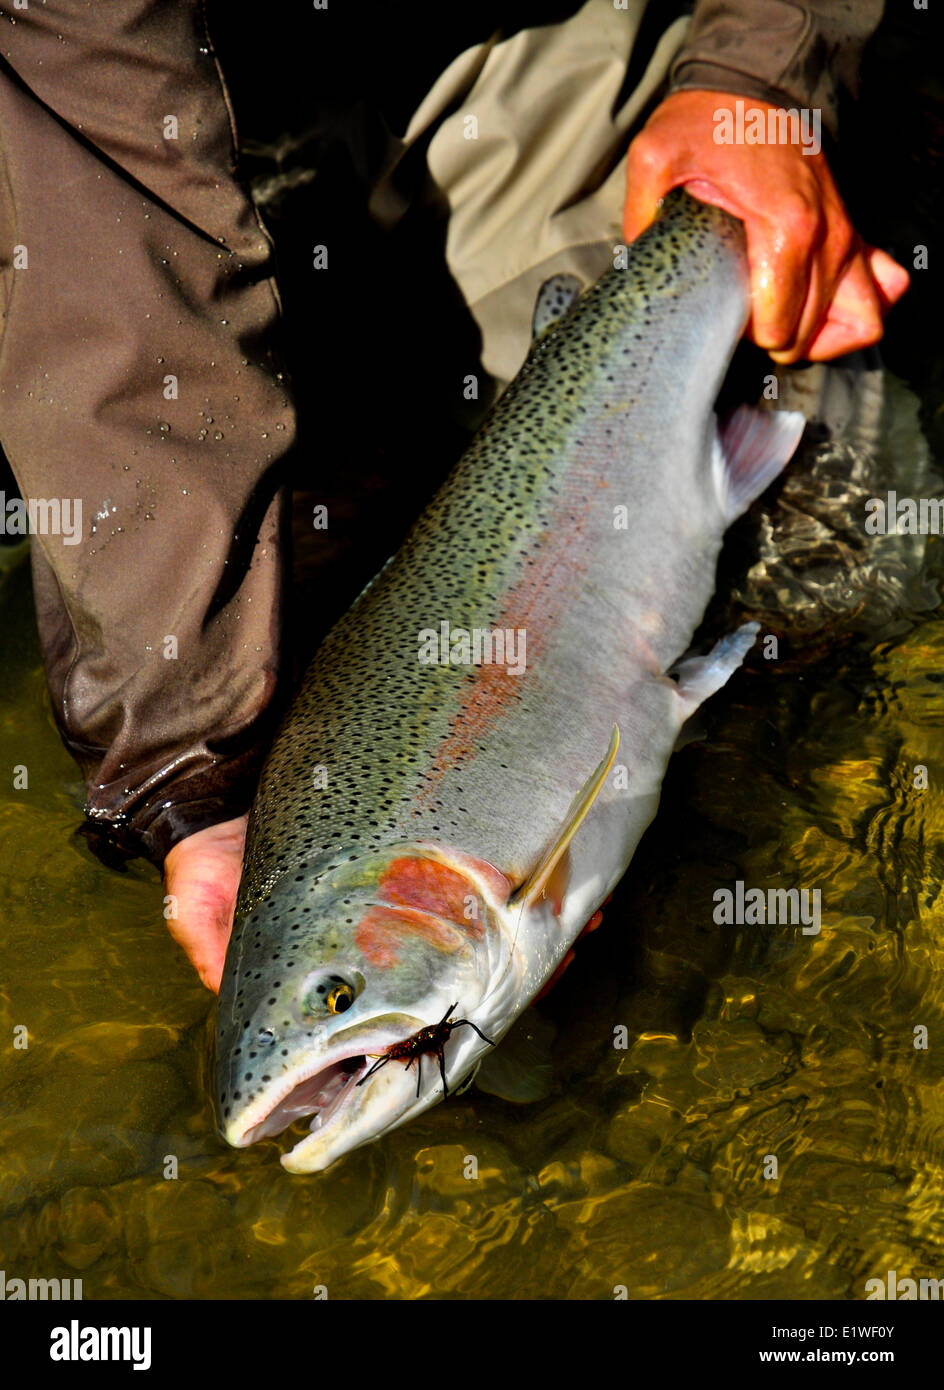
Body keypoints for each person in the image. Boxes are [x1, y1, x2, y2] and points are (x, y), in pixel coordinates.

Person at [0, 1, 908, 991]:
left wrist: (758, 80)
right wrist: (188, 759)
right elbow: (92, 170)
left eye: (339, 992)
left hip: (523, 27)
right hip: (105, 95)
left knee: (855, 524)